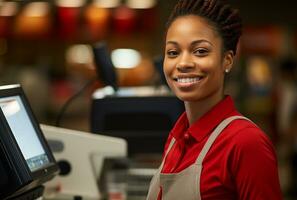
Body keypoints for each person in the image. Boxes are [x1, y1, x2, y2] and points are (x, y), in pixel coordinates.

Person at [146, 0, 283, 199]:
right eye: (173, 52)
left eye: (200, 51)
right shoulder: (177, 137)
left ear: (227, 60)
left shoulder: (246, 142)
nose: (183, 63)